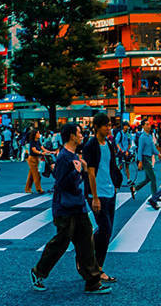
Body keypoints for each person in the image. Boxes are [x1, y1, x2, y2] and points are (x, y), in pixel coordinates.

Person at [29, 123, 110, 294]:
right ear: (72, 136)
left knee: (86, 242)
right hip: (65, 207)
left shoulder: (73, 155)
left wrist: (82, 170)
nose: (82, 136)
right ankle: (38, 271)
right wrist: (77, 171)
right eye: (79, 133)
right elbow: (61, 183)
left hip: (78, 206)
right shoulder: (64, 157)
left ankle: (92, 282)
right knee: (61, 242)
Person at [83, 115, 122, 285]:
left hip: (110, 191)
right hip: (97, 194)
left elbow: (111, 166)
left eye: (110, 125)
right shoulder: (91, 145)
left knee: (107, 231)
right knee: (105, 230)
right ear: (97, 127)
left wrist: (116, 183)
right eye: (106, 125)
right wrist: (95, 197)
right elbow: (90, 173)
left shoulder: (109, 144)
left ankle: (89, 259)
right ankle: (96, 268)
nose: (109, 128)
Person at [130, 124, 158, 197]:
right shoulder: (142, 137)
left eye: (149, 124)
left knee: (148, 179)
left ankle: (135, 188)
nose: (149, 126)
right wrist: (140, 161)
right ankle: (155, 196)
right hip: (145, 159)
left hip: (149, 158)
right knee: (153, 178)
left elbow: (152, 147)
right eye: (147, 124)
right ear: (143, 126)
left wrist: (159, 154)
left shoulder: (149, 136)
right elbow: (140, 149)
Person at [24, 129, 49, 194]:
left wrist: (49, 152)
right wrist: (41, 153)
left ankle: (27, 188)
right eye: (38, 133)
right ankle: (39, 189)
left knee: (31, 175)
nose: (39, 134)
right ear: (35, 135)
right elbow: (34, 150)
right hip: (32, 159)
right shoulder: (32, 141)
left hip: (37, 159)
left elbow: (43, 148)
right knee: (37, 175)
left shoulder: (38, 141)